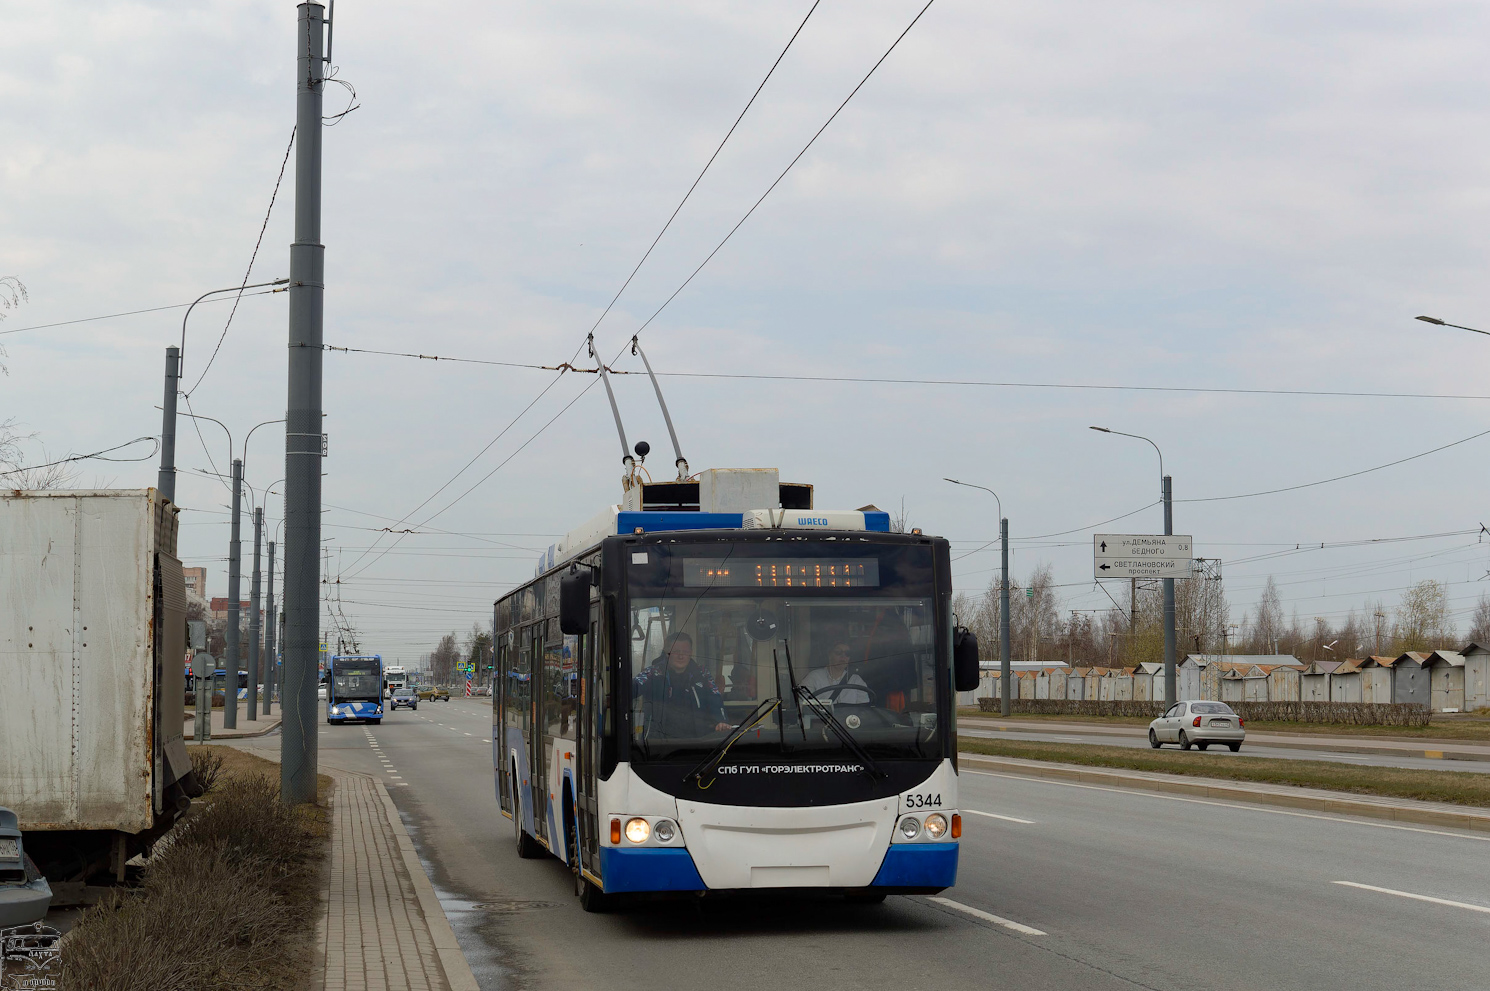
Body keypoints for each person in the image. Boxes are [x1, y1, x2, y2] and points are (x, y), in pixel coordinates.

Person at [633, 632, 732, 734]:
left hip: (699, 742)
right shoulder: (652, 673)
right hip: (659, 744)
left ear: (691, 652)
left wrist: (721, 721)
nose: (681, 656)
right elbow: (632, 688)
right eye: (676, 651)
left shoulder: (702, 674)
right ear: (667, 652)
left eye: (685, 652)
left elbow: (715, 699)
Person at [802, 640, 871, 705]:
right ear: (829, 655)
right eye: (838, 652)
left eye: (847, 653)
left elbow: (863, 710)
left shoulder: (856, 680)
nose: (843, 656)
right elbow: (802, 704)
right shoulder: (814, 677)